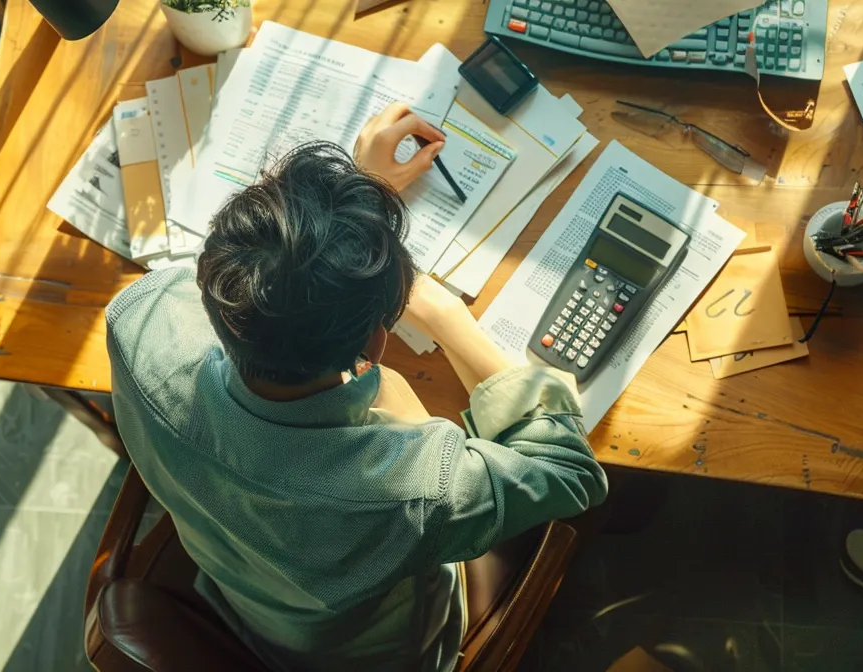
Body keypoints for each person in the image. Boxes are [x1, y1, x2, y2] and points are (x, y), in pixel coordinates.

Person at [103, 102, 609, 671]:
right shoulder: (410, 493)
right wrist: (442, 312)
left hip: (242, 592)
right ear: (374, 343)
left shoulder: (140, 318)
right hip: (382, 651)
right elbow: (570, 474)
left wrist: (353, 205)